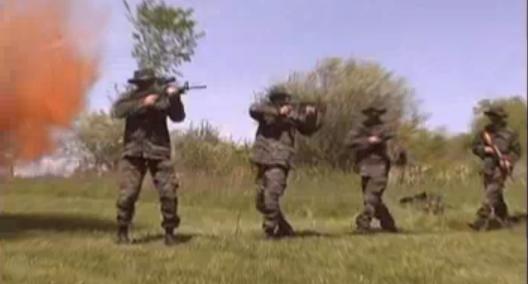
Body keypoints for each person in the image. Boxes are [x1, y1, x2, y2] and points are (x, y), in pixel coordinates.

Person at [111, 68, 186, 245]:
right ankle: (122, 230)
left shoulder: (164, 98)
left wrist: (174, 98)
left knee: (168, 193)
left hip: (159, 150)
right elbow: (117, 111)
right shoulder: (130, 98)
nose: (146, 86)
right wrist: (143, 104)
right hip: (133, 151)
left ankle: (169, 232)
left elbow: (178, 117)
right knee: (127, 194)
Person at [249, 86, 323, 239]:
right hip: (263, 159)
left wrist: (311, 115)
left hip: (280, 160)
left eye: (287, 99)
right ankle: (284, 228)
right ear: (275, 100)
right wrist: (278, 112)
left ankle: (269, 231)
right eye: (282, 99)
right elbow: (253, 109)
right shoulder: (266, 110)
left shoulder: (293, 116)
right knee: (260, 201)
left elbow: (308, 129)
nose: (286, 101)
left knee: (271, 196)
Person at [344, 106, 398, 233]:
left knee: (371, 198)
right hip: (365, 167)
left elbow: (391, 137)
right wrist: (368, 140)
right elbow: (348, 142)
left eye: (377, 113)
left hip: (380, 167)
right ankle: (388, 223)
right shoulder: (360, 128)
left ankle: (363, 224)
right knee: (373, 200)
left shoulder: (384, 128)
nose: (374, 116)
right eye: (371, 113)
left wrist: (383, 140)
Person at [469, 106, 521, 231]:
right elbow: (475, 147)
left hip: (502, 168)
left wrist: (508, 161)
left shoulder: (511, 133)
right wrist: (485, 149)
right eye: (491, 116)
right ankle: (503, 219)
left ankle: (480, 221)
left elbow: (517, 152)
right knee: (496, 194)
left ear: (501, 118)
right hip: (488, 166)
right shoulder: (485, 132)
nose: (493, 119)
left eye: (495, 116)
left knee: (492, 192)